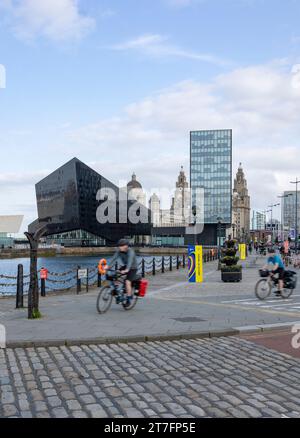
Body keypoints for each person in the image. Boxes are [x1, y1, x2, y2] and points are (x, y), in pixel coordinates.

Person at [106, 239, 138, 307]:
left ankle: (129, 299)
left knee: (127, 282)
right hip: (125, 266)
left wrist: (127, 270)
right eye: (119, 246)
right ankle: (117, 291)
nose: (119, 247)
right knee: (115, 274)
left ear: (126, 246)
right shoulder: (119, 251)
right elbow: (113, 259)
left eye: (121, 246)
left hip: (133, 268)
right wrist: (108, 267)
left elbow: (130, 261)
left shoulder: (130, 251)